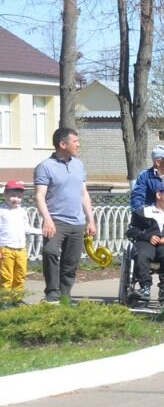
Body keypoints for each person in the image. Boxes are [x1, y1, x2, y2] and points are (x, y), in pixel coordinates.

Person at [33, 127, 96, 302]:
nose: (78, 144)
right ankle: (52, 293)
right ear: (62, 144)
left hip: (77, 222)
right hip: (56, 221)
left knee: (71, 261)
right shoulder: (45, 167)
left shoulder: (78, 164)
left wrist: (90, 220)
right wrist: (47, 219)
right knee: (50, 251)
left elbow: (84, 194)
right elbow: (40, 196)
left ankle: (65, 294)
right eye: (75, 141)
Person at [125, 189, 164, 304]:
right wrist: (147, 236)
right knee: (141, 254)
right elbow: (131, 231)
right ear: (159, 195)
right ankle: (145, 287)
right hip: (146, 242)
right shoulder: (143, 212)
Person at [0, 181, 38, 294]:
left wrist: (41, 231)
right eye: (12, 196)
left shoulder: (22, 212)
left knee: (20, 275)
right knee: (6, 276)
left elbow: (26, 228)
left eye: (19, 197)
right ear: (5, 194)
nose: (16, 199)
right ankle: (5, 300)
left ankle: (17, 298)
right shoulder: (1, 211)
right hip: (6, 249)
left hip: (21, 249)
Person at [130, 145, 164, 214]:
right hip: (152, 218)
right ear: (158, 162)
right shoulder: (145, 176)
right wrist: (139, 215)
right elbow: (137, 198)